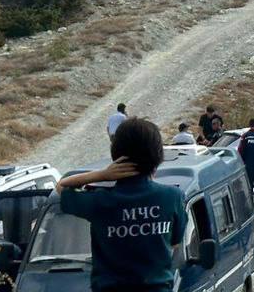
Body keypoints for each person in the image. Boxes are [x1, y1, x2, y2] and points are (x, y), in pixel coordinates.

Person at [56, 117, 187, 292]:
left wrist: (102, 175)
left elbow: (61, 186)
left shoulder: (100, 201)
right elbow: (175, 243)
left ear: (116, 155)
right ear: (157, 156)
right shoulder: (172, 197)